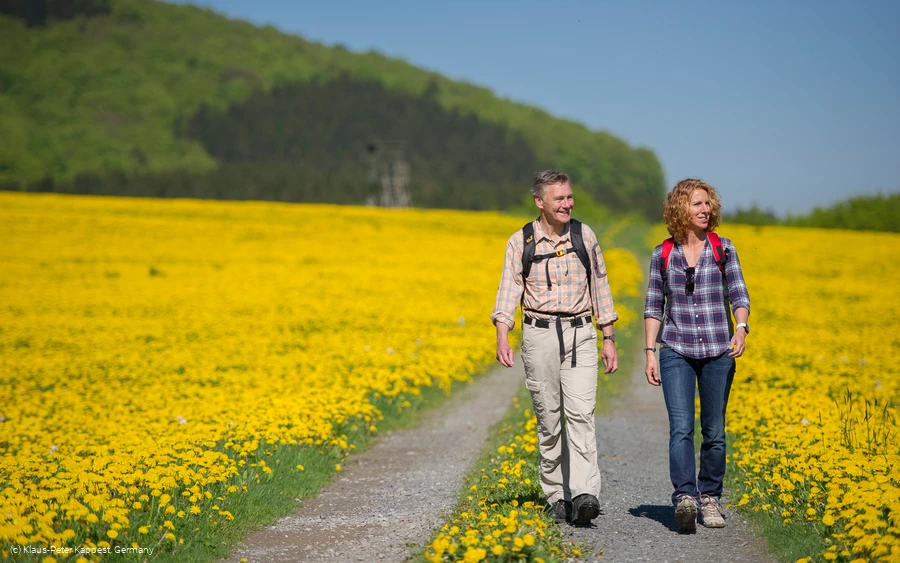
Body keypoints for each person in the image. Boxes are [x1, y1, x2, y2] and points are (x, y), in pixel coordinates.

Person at [491, 170, 619, 526]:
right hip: (539, 335)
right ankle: (556, 494)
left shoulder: (584, 235)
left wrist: (608, 337)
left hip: (580, 334)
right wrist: (503, 334)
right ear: (539, 202)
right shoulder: (521, 241)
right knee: (549, 420)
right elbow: (508, 289)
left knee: (580, 414)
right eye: (559, 198)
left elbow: (601, 287)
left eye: (569, 197)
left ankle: (584, 494)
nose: (567, 204)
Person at [643, 178, 751, 533]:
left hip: (719, 351)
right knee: (681, 429)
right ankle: (685, 498)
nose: (705, 210)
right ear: (680, 210)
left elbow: (738, 292)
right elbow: (653, 306)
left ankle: (710, 497)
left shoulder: (724, 248)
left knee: (715, 431)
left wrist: (741, 327)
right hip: (676, 350)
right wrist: (649, 352)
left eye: (708, 204)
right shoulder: (663, 254)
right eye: (697, 205)